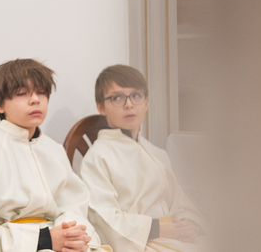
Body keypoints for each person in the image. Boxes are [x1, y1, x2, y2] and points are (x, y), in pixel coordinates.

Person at [0, 59, 102, 252]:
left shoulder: (53, 149)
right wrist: (44, 240)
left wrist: (69, 235)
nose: (35, 100)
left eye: (41, 92)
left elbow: (75, 205)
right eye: (22, 93)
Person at [78, 65, 206, 252]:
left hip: (177, 239)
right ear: (101, 106)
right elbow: (103, 220)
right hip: (142, 243)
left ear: (146, 102)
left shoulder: (157, 153)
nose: (129, 104)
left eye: (136, 96)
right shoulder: (98, 157)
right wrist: (156, 229)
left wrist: (193, 227)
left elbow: (180, 203)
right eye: (117, 98)